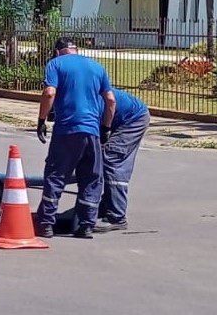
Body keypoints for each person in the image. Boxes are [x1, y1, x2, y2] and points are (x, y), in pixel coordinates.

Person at [36, 37, 116, 239]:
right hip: (92, 132)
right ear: (76, 50)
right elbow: (110, 100)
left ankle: (46, 223)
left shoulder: (55, 64)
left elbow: (49, 93)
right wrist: (106, 127)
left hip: (67, 130)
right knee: (91, 178)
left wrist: (41, 120)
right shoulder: (97, 67)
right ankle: (86, 225)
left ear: (57, 52)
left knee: (56, 175)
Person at [95, 87, 149, 233]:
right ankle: (106, 206)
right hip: (121, 117)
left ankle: (117, 217)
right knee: (103, 158)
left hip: (133, 119)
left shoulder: (89, 105)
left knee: (113, 160)